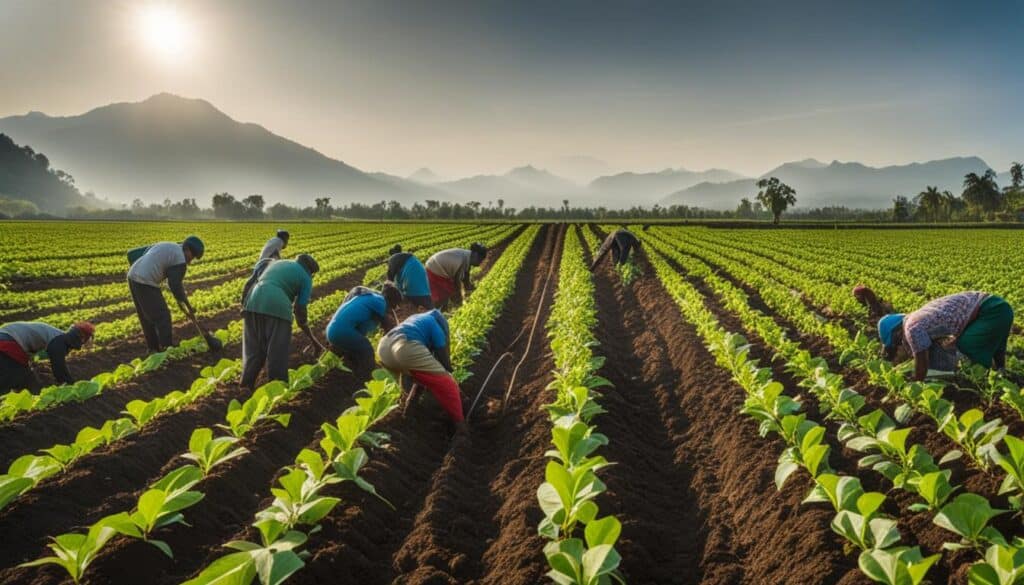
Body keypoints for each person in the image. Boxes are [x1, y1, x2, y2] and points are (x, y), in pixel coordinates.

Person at [872, 289, 1014, 381]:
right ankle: (1002, 371)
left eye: (897, 345)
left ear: (897, 334)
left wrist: (917, 381)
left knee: (968, 347)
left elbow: (922, 361)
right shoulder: (917, 318)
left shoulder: (911, 328)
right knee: (997, 344)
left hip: (990, 310)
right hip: (998, 306)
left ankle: (983, 379)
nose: (900, 347)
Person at [241, 253, 325, 389]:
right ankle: (277, 389)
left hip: (253, 300)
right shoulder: (306, 277)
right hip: (277, 305)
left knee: (254, 349)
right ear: (310, 271)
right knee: (277, 351)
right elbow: (300, 309)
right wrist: (312, 337)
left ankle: (245, 387)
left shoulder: (279, 263)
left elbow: (252, 280)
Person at [377, 309, 464, 426]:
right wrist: (449, 372)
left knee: (421, 376)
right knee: (448, 385)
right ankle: (461, 426)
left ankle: (408, 412)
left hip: (383, 349)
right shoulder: (435, 324)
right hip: (404, 347)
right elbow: (443, 356)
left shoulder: (417, 319)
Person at [127, 237, 204, 352]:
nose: (190, 261)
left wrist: (183, 304)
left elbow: (136, 254)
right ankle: (167, 349)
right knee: (163, 316)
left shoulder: (172, 247)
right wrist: (187, 305)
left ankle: (153, 349)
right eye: (191, 256)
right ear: (187, 249)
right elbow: (175, 286)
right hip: (145, 280)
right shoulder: (180, 259)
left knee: (147, 317)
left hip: (133, 275)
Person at [325, 282, 402, 371]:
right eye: (393, 306)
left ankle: (354, 375)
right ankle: (367, 376)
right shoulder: (380, 301)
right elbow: (388, 326)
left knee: (356, 354)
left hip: (332, 330)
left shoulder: (371, 298)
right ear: (390, 301)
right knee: (367, 350)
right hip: (341, 331)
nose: (391, 310)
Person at [0, 321, 95, 391]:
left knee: (26, 380)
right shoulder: (59, 341)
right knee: (15, 378)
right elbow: (59, 369)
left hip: (7, 338)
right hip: (7, 341)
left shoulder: (58, 337)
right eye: (84, 340)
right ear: (80, 338)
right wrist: (73, 387)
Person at [425, 243, 487, 308]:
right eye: (480, 260)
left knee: (447, 293)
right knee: (446, 294)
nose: (480, 262)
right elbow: (457, 283)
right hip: (434, 269)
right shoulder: (460, 260)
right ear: (476, 255)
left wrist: (470, 288)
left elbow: (466, 276)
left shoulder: (466, 256)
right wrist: (461, 300)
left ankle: (444, 308)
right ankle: (441, 310)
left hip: (438, 267)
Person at [386, 245, 433, 309]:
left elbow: (389, 281)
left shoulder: (393, 259)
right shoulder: (409, 257)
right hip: (425, 288)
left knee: (410, 305)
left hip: (412, 289)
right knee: (428, 307)